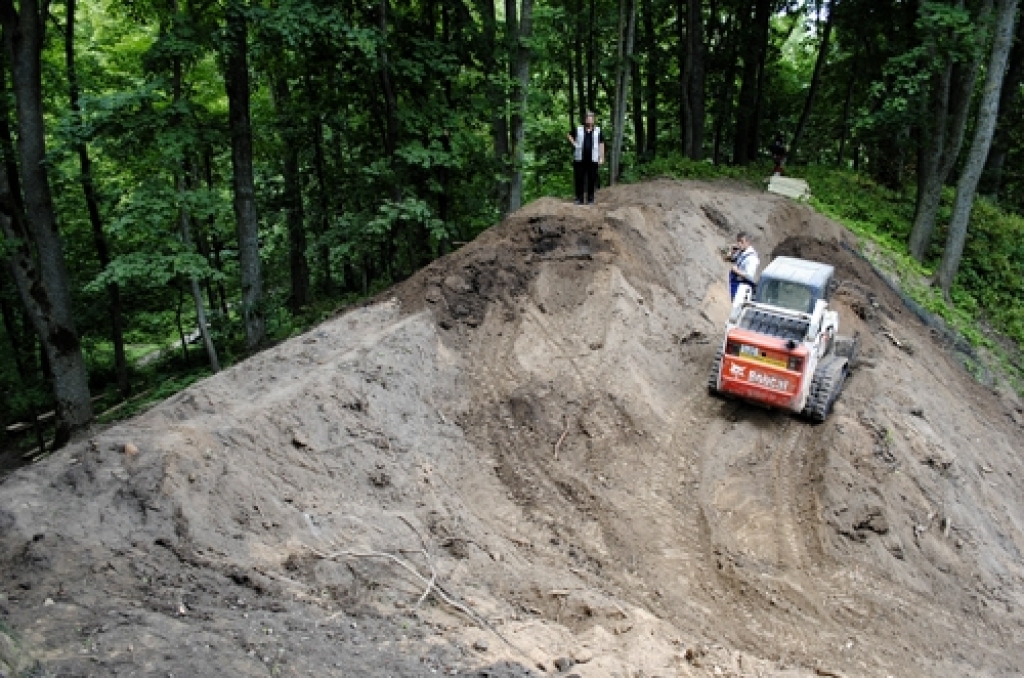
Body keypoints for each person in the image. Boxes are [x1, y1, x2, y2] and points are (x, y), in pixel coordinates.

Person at [567, 111, 605, 205]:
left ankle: (590, 199)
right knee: (579, 178)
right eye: (587, 118)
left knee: (591, 179)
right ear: (585, 120)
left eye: (591, 118)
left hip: (593, 158)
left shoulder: (598, 130)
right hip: (580, 158)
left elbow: (601, 144)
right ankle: (579, 198)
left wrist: (601, 156)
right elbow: (569, 135)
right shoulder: (579, 129)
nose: (589, 120)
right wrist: (574, 144)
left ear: (594, 120)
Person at [728, 232, 760, 302]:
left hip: (743, 287)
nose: (739, 244)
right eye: (738, 241)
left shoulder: (752, 258)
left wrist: (736, 271)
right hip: (735, 285)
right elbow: (730, 258)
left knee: (738, 307)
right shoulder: (741, 252)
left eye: (742, 242)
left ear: (748, 242)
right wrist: (731, 251)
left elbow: (749, 276)